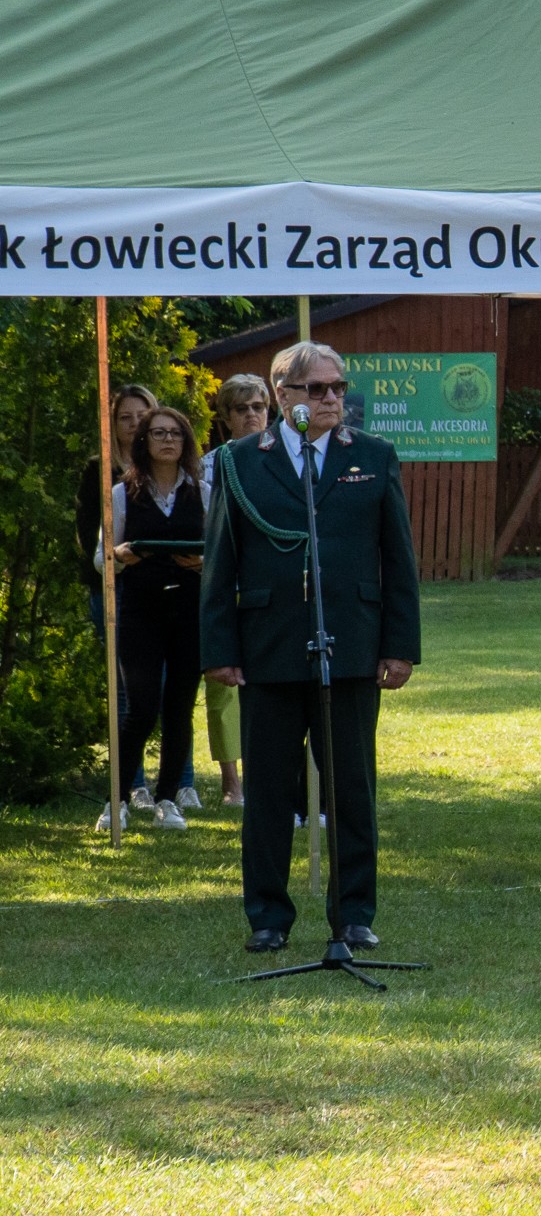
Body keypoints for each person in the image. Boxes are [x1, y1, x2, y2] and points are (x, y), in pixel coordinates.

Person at [202, 341, 421, 955]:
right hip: (268, 646)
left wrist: (400, 646)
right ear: (283, 396)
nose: (331, 399)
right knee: (269, 792)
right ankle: (268, 917)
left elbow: (398, 558)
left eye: (338, 388)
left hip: (350, 643)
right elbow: (221, 561)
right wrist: (219, 648)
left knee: (352, 789)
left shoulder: (371, 456)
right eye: (317, 389)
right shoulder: (240, 462)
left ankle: (353, 915)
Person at [95, 407, 208, 832]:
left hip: (189, 610)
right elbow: (101, 557)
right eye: (159, 433)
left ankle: (167, 799)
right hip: (140, 611)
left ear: (186, 442)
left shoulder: (204, 492)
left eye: (176, 434)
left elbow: (223, 552)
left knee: (180, 707)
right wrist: (121, 555)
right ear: (143, 441)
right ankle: (118, 800)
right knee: (140, 707)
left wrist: (202, 562)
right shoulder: (122, 494)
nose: (168, 440)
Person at [199, 374, 272, 806]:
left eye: (258, 407)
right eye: (241, 409)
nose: (251, 416)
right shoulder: (209, 467)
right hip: (227, 587)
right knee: (223, 688)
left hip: (272, 588)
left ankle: (274, 777)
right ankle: (232, 782)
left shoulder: (287, 459)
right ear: (226, 418)